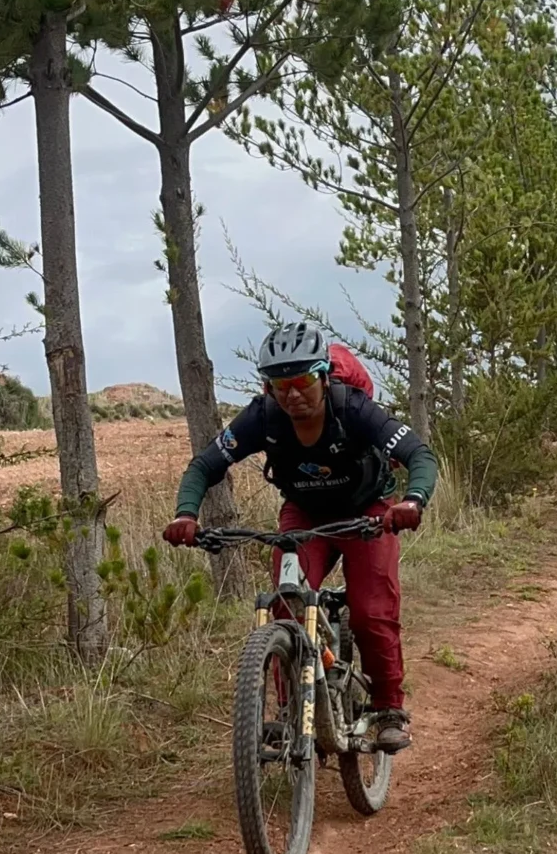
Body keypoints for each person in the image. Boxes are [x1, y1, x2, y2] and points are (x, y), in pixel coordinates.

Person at [163, 320, 438, 754]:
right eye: (280, 384)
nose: (293, 393)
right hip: (304, 514)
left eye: (303, 381)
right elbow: (204, 466)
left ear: (324, 377)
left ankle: (388, 710)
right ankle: (296, 713)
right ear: (268, 387)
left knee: (370, 611)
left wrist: (414, 501)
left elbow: (417, 453)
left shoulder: (353, 409)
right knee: (285, 605)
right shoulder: (262, 417)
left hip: (367, 513)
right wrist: (186, 513)